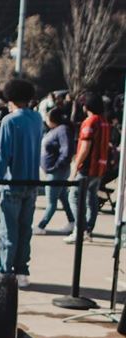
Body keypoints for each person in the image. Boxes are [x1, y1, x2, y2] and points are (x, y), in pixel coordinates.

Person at [0, 78, 43, 287]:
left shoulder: (9, 121)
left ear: (11, 98)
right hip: (32, 183)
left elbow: (1, 157)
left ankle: (5, 272)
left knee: (8, 231)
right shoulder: (37, 118)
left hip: (11, 184)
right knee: (25, 230)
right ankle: (22, 271)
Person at [65, 91, 112, 244]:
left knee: (74, 196)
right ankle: (88, 230)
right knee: (92, 198)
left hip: (87, 167)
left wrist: (75, 166)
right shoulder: (105, 122)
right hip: (100, 167)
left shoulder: (90, 122)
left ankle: (80, 229)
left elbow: (85, 147)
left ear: (86, 106)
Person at [36, 107, 75, 234]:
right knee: (63, 197)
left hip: (57, 172)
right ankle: (72, 221)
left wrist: (57, 165)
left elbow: (66, 150)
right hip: (54, 171)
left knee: (51, 201)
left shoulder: (62, 130)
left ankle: (41, 226)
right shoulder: (55, 130)